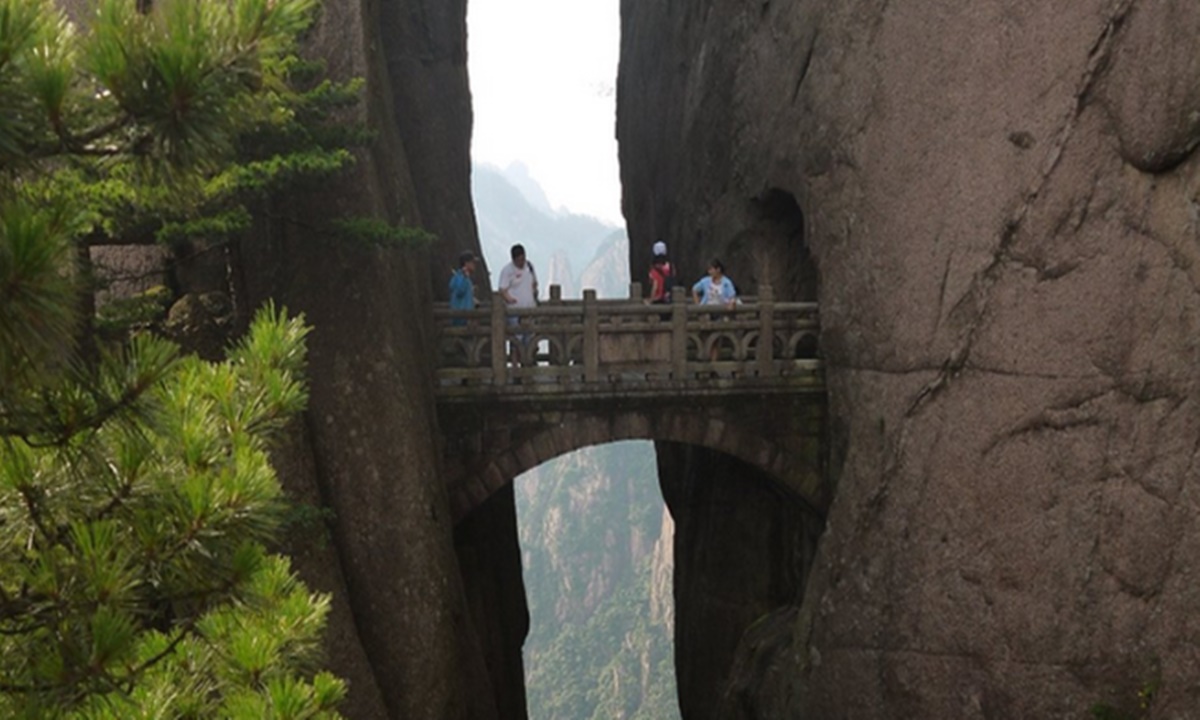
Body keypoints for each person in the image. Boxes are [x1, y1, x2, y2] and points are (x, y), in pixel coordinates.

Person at [498, 243, 538, 364]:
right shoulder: (507, 271)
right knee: (516, 340)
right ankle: (515, 366)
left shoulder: (529, 267)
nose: (521, 262)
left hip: (529, 310)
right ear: (513, 259)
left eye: (523, 259)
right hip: (515, 311)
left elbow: (534, 282)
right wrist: (510, 299)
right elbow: (502, 289)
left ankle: (528, 365)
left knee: (530, 339)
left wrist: (534, 291)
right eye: (519, 260)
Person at [448, 251, 476, 326]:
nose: (474, 265)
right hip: (461, 317)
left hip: (464, 316)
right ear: (466, 263)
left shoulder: (462, 277)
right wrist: (464, 277)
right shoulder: (461, 277)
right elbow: (460, 291)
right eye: (472, 262)